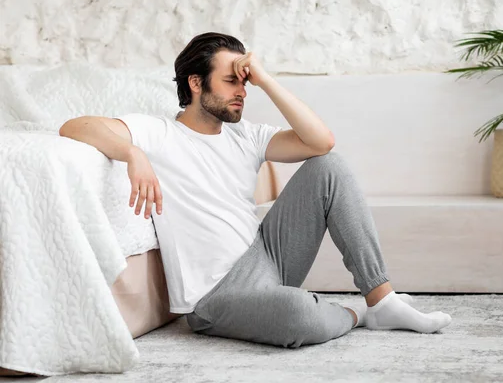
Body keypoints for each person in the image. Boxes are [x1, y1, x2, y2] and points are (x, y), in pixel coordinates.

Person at [59, 32, 452, 348]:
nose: (242, 91)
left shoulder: (245, 136)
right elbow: (74, 127)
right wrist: (132, 153)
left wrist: (265, 79)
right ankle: (359, 316)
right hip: (214, 295)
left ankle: (380, 299)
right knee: (299, 317)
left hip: (267, 255)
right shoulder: (159, 133)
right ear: (196, 83)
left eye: (244, 81)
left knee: (329, 167)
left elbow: (321, 142)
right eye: (231, 80)